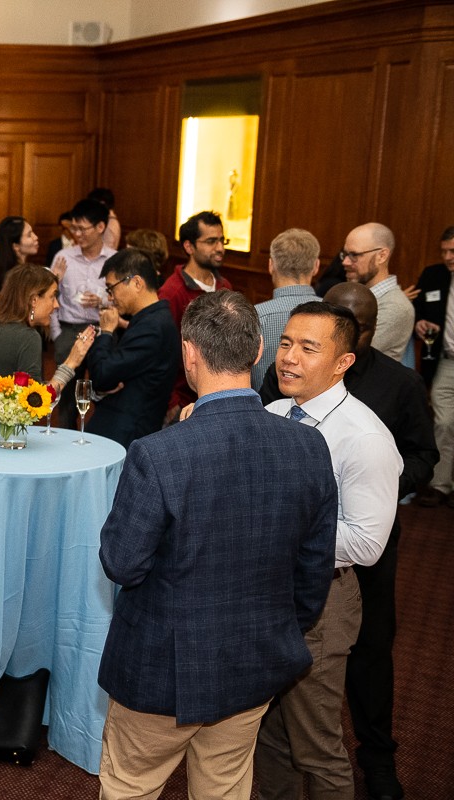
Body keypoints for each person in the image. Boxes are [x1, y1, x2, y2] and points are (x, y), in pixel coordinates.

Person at [97, 290, 337, 800]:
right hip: (254, 661)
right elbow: (313, 573)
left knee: (129, 788)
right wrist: (275, 628)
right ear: (257, 352)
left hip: (161, 669)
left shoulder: (158, 454)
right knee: (225, 788)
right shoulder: (310, 445)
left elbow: (121, 562)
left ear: (189, 353)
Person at [260, 282, 437, 800]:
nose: (288, 358)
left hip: (322, 603)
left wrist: (279, 538)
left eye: (308, 348)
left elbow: (366, 543)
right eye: (286, 342)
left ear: (343, 363)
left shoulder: (365, 438)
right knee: (270, 736)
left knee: (317, 747)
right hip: (269, 597)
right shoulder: (272, 414)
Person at [0, 264, 94, 423]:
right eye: (52, 296)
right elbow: (35, 401)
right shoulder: (28, 337)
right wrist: (71, 362)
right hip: (5, 438)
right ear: (34, 300)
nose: (57, 305)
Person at [83, 249, 180, 448]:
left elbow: (101, 375)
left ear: (136, 283)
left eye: (112, 288)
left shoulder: (152, 327)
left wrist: (106, 332)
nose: (110, 298)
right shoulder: (149, 320)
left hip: (126, 434)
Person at [161, 211, 234, 416]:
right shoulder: (172, 292)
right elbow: (164, 352)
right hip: (183, 403)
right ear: (188, 246)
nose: (220, 248)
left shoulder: (224, 287)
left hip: (218, 398)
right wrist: (172, 402)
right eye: (211, 241)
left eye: (221, 240)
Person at [51, 198, 116, 425]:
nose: (76, 233)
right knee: (66, 396)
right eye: (74, 228)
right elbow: (51, 295)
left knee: (105, 390)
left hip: (103, 330)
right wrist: (56, 333)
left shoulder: (114, 259)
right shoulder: (63, 257)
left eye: (82, 228)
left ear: (100, 227)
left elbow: (123, 300)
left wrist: (103, 302)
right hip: (70, 330)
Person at [414, 225, 454, 508]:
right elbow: (417, 310)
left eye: (453, 251)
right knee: (443, 422)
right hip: (445, 361)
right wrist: (420, 322)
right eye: (444, 251)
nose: (448, 257)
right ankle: (440, 485)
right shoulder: (433, 276)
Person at [252, 228, 321, 390]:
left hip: (262, 410)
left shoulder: (253, 316)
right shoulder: (335, 315)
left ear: (270, 265)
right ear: (316, 266)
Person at [341, 222, 414, 362]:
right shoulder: (359, 296)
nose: (345, 262)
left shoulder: (395, 307)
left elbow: (349, 353)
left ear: (382, 256)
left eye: (354, 255)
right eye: (344, 254)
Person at [0, 216, 40, 300]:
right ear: (16, 246)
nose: (36, 237)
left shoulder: (12, 272)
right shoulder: (18, 277)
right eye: (29, 235)